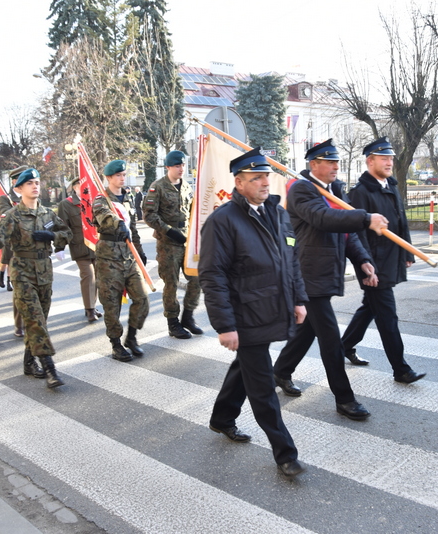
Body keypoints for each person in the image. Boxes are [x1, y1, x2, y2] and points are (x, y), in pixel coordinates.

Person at [199, 147, 308, 478]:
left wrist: (298, 299)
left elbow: (291, 260)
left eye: (266, 176)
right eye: (256, 177)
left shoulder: (277, 213)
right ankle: (285, 453)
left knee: (246, 366)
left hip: (273, 308)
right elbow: (212, 276)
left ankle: (221, 418)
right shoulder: (222, 221)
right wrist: (225, 325)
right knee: (262, 386)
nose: (264, 182)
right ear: (239, 182)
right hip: (245, 314)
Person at [272, 139, 387, 421]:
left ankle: (280, 372)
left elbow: (346, 232)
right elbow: (325, 219)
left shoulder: (334, 189)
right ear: (314, 165)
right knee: (330, 339)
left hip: (326, 272)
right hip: (307, 274)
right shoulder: (301, 190)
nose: (336, 166)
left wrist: (362, 260)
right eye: (330, 162)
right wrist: (366, 217)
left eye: (337, 162)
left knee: (308, 331)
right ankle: (344, 399)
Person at [0, 168, 71, 388]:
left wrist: (53, 236)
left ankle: (29, 362)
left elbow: (67, 234)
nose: (35, 186)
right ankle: (50, 369)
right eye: (29, 183)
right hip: (23, 273)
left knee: (38, 321)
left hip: (45, 272)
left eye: (37, 182)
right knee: (36, 321)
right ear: (18, 189)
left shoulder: (48, 213)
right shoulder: (13, 216)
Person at [341, 138, 426, 384]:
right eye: (383, 158)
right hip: (373, 264)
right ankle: (400, 369)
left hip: (392, 258)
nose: (389, 162)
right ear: (370, 161)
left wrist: (407, 252)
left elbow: (402, 222)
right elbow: (355, 234)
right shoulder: (360, 193)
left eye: (390, 158)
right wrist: (366, 266)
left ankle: (344, 346)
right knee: (387, 316)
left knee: (370, 307)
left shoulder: (391, 186)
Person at [93, 160, 149, 361]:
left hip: (128, 256)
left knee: (142, 299)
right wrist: (118, 224)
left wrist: (140, 251)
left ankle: (131, 337)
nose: (122, 178)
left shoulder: (128, 198)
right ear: (109, 178)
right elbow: (104, 215)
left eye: (124, 175)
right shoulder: (101, 199)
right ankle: (116, 344)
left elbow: (132, 228)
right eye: (118, 175)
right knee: (111, 304)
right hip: (109, 258)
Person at [143, 150, 202, 339]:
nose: (181, 169)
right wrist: (168, 230)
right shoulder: (157, 187)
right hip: (167, 243)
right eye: (177, 166)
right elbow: (149, 215)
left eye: (183, 165)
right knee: (171, 284)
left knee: (196, 278)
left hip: (187, 241)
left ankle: (188, 317)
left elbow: (193, 210)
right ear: (168, 167)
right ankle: (173, 323)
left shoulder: (187, 187)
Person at [57, 176, 102, 323]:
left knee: (96, 276)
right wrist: (59, 246)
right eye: (81, 186)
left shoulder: (92, 202)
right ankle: (89, 309)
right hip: (79, 246)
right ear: (75, 187)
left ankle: (92, 306)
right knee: (88, 275)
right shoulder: (66, 204)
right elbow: (62, 226)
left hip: (96, 246)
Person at [0, 166, 26, 336]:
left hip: (34, 250)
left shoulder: (34, 197)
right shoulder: (5, 199)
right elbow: (6, 217)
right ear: (15, 181)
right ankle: (19, 324)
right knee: (20, 290)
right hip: (15, 250)